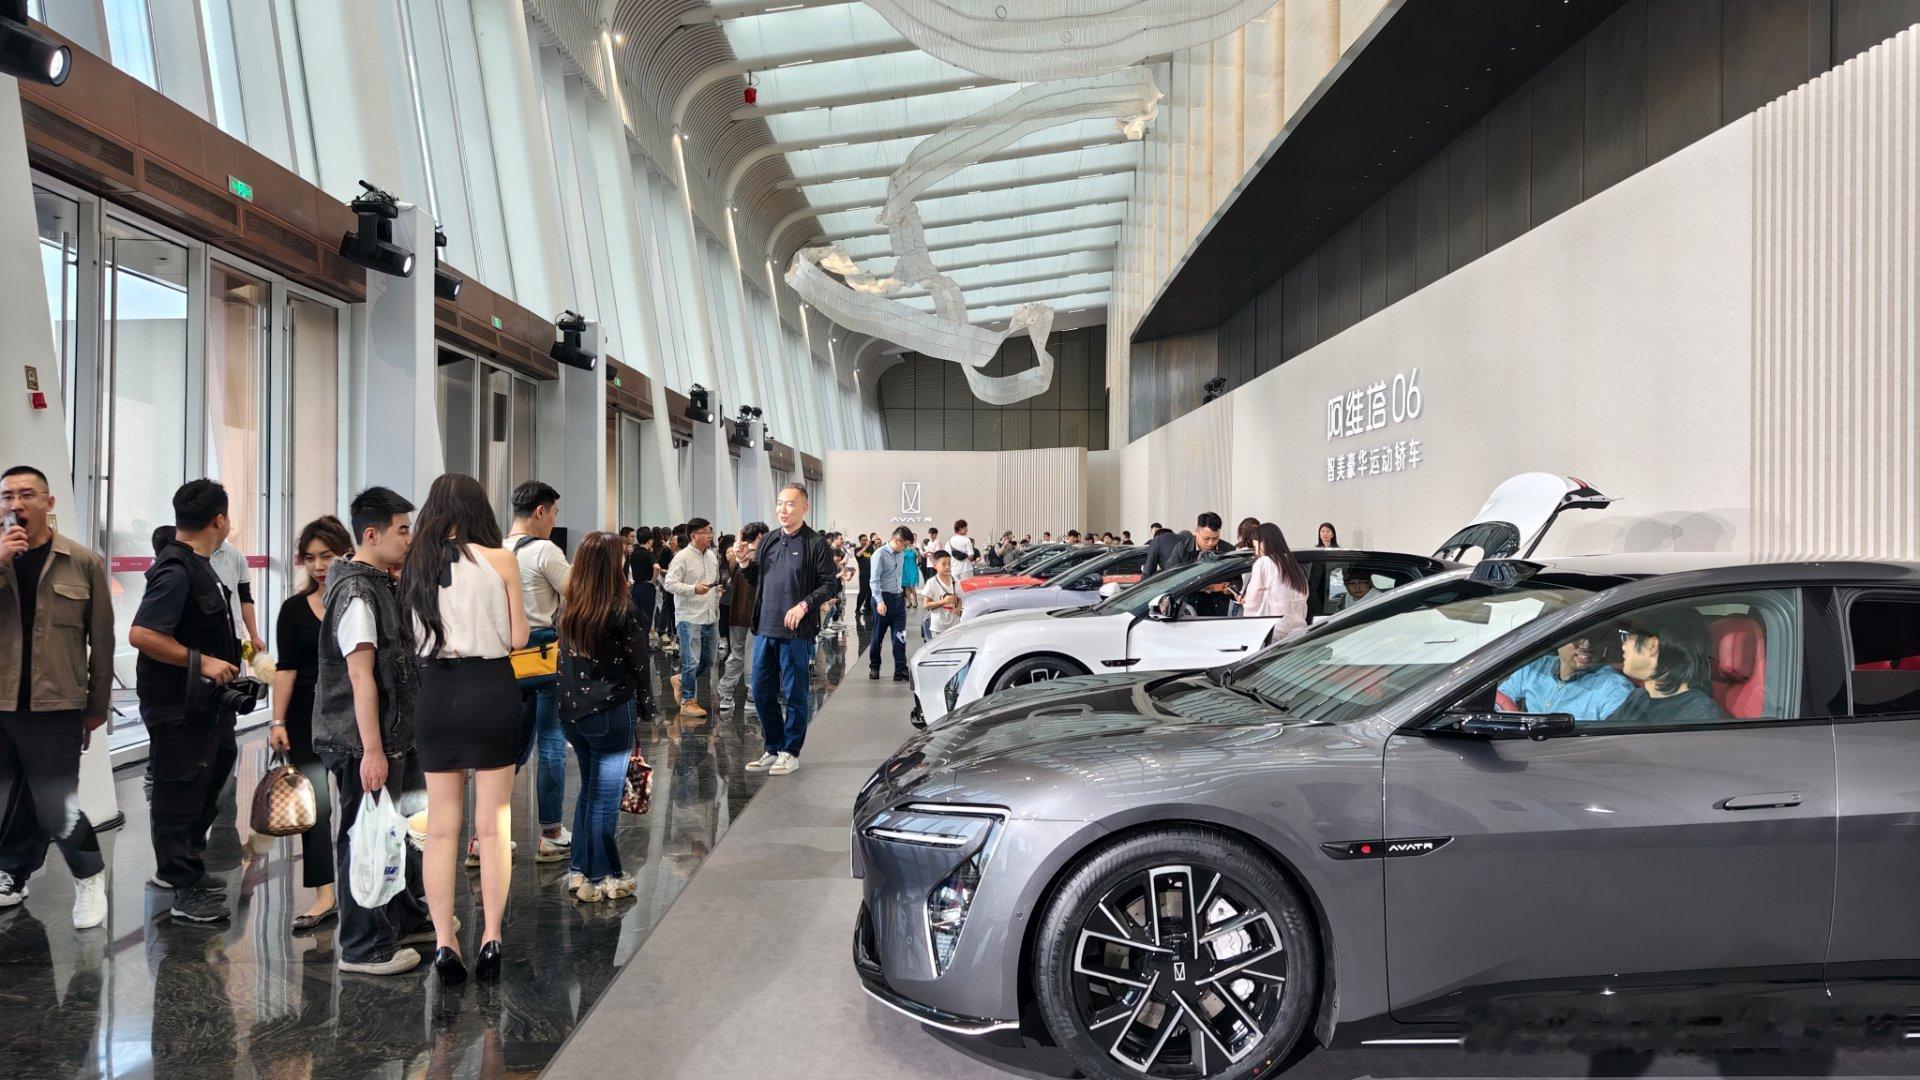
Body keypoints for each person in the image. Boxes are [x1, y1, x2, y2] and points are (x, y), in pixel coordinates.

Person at [402, 474, 529, 985]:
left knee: (440, 828)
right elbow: (518, 637)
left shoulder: (414, 565)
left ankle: (443, 943)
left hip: (435, 693)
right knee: (493, 824)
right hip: (490, 689)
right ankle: (491, 937)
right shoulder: (500, 559)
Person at [313, 488, 434, 976]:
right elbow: (360, 678)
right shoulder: (358, 594)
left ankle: (404, 920)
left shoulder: (380, 583)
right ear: (372, 534)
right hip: (362, 741)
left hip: (396, 735)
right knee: (366, 838)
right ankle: (363, 945)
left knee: (398, 832)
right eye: (402, 530)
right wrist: (372, 751)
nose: (409, 538)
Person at [127, 479, 245, 923]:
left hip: (207, 707)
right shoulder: (176, 569)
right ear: (220, 519)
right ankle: (181, 885)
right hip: (178, 707)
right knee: (178, 793)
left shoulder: (200, 565)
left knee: (208, 782)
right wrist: (204, 661)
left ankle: (188, 868)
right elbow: (142, 634)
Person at [0, 465, 111, 929]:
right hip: (2, 701)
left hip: (57, 704)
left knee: (54, 800)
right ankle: (12, 872)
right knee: (10, 798)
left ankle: (89, 878)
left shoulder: (82, 562)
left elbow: (101, 641)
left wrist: (96, 707)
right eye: (7, 496)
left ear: (49, 502)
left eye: (26, 494)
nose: (15, 504)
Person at [268, 515, 352, 933]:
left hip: (353, 716)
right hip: (304, 718)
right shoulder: (292, 609)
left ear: (346, 554)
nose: (319, 566)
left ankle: (363, 888)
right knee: (316, 806)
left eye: (327, 556)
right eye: (311, 557)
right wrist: (277, 720)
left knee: (359, 805)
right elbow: (285, 668)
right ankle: (324, 893)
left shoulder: (359, 602)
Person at [555, 532, 645, 903]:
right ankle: (603, 875)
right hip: (610, 711)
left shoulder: (567, 607)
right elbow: (639, 664)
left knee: (590, 791)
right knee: (605, 798)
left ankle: (579, 869)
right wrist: (646, 706)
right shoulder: (621, 609)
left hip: (572, 714)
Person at [744, 484, 839, 777]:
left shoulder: (816, 544)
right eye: (779, 503)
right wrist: (745, 563)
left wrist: (804, 605)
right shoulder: (769, 540)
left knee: (795, 693)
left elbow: (830, 585)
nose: (782, 510)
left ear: (804, 507)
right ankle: (773, 747)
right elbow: (757, 580)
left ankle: (790, 751)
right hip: (765, 628)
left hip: (796, 632)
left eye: (790, 504)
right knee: (761, 691)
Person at [504, 481, 572, 864]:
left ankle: (485, 837)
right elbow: (576, 592)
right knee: (550, 745)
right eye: (554, 513)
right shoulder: (545, 550)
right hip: (543, 658)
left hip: (505, 661)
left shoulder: (495, 550)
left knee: (508, 748)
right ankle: (551, 833)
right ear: (541, 511)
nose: (554, 521)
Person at [1604, 620, 1729, 726]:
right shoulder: (1639, 696)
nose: (1623, 645)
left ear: (1653, 646)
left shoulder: (1699, 717)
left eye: (1627, 637)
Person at [1496, 630, 1634, 724]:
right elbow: (1500, 697)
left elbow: (1620, 735)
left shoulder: (1612, 686)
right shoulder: (1536, 667)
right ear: (1559, 639)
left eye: (1596, 638)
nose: (1587, 645)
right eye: (1578, 636)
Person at [664, 518, 720, 717]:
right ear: (694, 535)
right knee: (691, 662)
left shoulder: (712, 556)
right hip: (689, 617)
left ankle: (680, 680)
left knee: (709, 660)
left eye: (710, 531)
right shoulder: (682, 557)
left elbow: (712, 582)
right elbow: (669, 584)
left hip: (709, 615)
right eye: (705, 532)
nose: (709, 535)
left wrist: (716, 592)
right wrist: (692, 589)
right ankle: (688, 701)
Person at [718, 522, 767, 715]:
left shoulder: (734, 558)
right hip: (756, 614)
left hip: (737, 613)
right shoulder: (761, 557)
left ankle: (726, 695)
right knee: (753, 655)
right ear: (760, 536)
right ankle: (752, 696)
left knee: (736, 655)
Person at [1239, 523, 1309, 639]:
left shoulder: (1264, 562)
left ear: (1263, 542)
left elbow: (1253, 601)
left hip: (1273, 633)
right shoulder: (1294, 565)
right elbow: (1303, 600)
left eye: (1256, 546)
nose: (1256, 552)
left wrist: (1246, 606)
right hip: (1298, 632)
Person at [868, 527, 912, 681]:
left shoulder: (901, 554)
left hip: (898, 600)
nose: (906, 549)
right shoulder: (879, 554)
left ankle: (901, 669)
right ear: (897, 541)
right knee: (877, 637)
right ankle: (874, 667)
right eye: (905, 545)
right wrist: (879, 602)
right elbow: (874, 580)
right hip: (883, 600)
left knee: (900, 636)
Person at [625, 529, 659, 718]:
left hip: (635, 587)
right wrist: (653, 581)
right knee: (647, 618)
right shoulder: (648, 553)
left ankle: (638, 642)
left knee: (636, 619)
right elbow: (657, 567)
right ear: (651, 540)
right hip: (646, 587)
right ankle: (643, 645)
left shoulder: (633, 553)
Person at [920, 550, 963, 636]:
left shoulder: (955, 581)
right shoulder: (931, 583)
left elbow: (959, 599)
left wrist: (958, 608)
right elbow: (926, 605)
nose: (947, 567)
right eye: (943, 564)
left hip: (954, 625)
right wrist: (943, 601)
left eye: (949, 563)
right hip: (938, 627)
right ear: (935, 566)